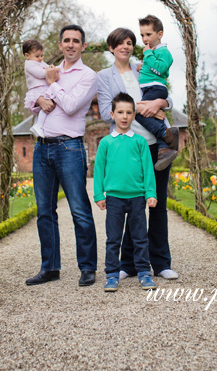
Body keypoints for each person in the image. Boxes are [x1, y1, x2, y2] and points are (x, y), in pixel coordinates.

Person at [96, 27, 179, 281]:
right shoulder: (103, 76)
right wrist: (136, 108)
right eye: (120, 43)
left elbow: (164, 93)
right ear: (111, 48)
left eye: (130, 43)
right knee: (131, 206)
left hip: (157, 144)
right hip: (128, 147)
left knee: (158, 204)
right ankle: (129, 265)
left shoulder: (141, 67)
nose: (126, 47)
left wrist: (159, 104)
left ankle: (161, 263)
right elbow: (102, 112)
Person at [25, 24, 98, 287]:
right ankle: (50, 268)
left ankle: (87, 267)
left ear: (83, 46)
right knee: (45, 211)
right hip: (42, 147)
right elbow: (31, 100)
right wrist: (38, 102)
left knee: (79, 209)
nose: (70, 44)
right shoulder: (48, 70)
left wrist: (52, 87)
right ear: (59, 45)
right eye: (66, 40)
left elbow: (69, 106)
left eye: (75, 41)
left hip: (69, 148)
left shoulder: (88, 76)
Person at [94, 93, 158, 292]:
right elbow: (98, 170)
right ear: (112, 115)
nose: (124, 116)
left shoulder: (140, 142)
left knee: (140, 238)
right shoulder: (105, 143)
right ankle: (112, 275)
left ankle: (144, 273)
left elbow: (148, 169)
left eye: (129, 112)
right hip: (114, 198)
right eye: (120, 112)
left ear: (133, 116)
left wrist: (150, 193)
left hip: (137, 197)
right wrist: (98, 195)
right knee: (113, 239)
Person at [136, 15, 179, 171]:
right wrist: (143, 66)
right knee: (148, 113)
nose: (144, 38)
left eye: (148, 34)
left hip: (156, 88)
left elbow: (160, 68)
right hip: (151, 87)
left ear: (159, 34)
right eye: (142, 35)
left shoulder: (165, 52)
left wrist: (147, 55)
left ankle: (166, 134)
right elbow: (153, 68)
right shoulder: (153, 52)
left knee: (139, 112)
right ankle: (164, 147)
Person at [22, 39, 54, 138]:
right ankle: (39, 126)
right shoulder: (29, 64)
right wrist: (50, 72)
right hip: (38, 90)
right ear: (27, 55)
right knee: (46, 107)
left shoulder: (38, 62)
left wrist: (51, 67)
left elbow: (47, 66)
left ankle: (37, 127)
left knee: (41, 110)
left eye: (41, 55)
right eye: (37, 56)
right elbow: (40, 73)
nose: (40, 58)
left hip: (42, 88)